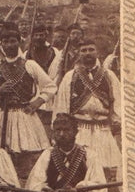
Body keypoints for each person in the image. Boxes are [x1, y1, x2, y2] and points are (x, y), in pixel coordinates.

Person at [0, 26, 56, 179]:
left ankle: (24, 184)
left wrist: (37, 102)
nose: (9, 45)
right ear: (1, 44)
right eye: (5, 42)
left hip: (25, 115)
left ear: (19, 43)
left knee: (25, 154)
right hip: (2, 114)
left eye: (13, 41)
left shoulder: (30, 65)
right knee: (2, 153)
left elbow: (50, 86)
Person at [51, 38, 122, 174]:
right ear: (79, 53)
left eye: (91, 49)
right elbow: (61, 106)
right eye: (84, 50)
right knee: (79, 168)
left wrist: (117, 126)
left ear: (97, 53)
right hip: (80, 129)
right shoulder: (70, 77)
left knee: (105, 168)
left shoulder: (109, 75)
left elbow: (117, 102)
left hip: (103, 129)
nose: (87, 53)